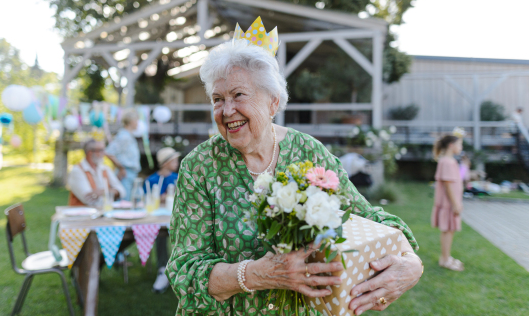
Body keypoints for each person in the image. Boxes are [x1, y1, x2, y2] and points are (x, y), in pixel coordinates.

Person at [166, 20, 423, 316]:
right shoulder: (199, 167)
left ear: (273, 103)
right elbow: (185, 270)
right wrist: (258, 274)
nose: (226, 111)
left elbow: (366, 217)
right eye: (217, 99)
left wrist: (411, 262)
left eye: (238, 95)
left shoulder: (308, 152)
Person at [143, 147, 180, 294]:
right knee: (159, 232)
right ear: (166, 163)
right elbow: (148, 201)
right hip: (157, 217)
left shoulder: (179, 178)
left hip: (176, 216)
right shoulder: (151, 180)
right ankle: (162, 268)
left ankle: (181, 266)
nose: (177, 163)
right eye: (174, 160)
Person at [431, 134, 464, 271]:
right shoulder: (447, 162)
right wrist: (455, 204)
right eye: (460, 144)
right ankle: (445, 259)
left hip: (451, 203)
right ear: (451, 145)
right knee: (447, 230)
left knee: (450, 230)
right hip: (448, 204)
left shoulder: (449, 161)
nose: (461, 147)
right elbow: (448, 185)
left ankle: (447, 257)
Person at [68, 139, 126, 207]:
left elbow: (122, 192)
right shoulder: (77, 171)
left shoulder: (105, 169)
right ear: (90, 152)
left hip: (103, 212)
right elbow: (89, 200)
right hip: (81, 214)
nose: (104, 153)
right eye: (101, 150)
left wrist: (102, 192)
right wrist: (111, 193)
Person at [106, 109, 142, 201]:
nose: (138, 123)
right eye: (137, 120)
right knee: (124, 204)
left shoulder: (129, 136)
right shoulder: (124, 136)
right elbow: (109, 152)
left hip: (131, 174)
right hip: (126, 174)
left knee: (133, 202)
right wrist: (121, 167)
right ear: (131, 121)